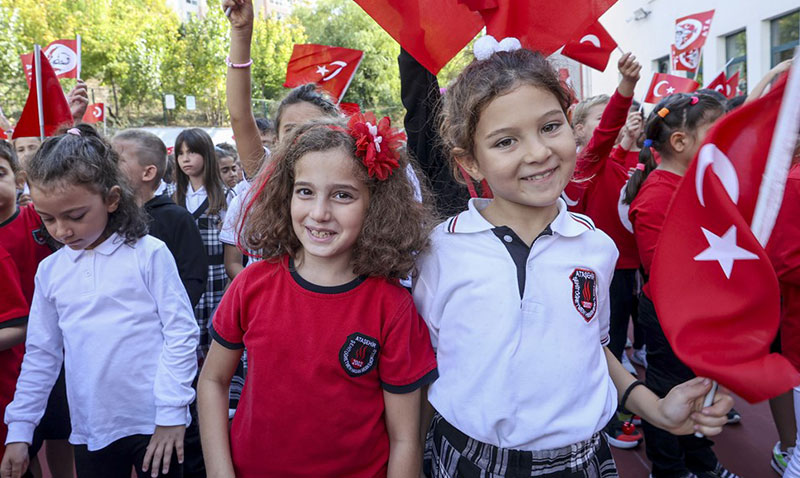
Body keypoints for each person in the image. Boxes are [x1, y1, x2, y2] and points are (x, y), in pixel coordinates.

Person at [415, 40, 733, 478]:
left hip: (580, 461)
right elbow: (422, 368)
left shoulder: (595, 246)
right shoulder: (441, 250)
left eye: (549, 127)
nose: (538, 152)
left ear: (570, 125)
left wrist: (656, 408)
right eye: (506, 141)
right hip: (467, 459)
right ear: (469, 161)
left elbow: (595, 350)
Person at [198, 108, 439, 476]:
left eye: (342, 195)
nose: (320, 212)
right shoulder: (252, 284)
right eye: (305, 192)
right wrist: (219, 470)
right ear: (285, 195)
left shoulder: (392, 308)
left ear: (376, 206)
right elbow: (213, 380)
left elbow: (406, 437)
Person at [0, 125, 199, 478]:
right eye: (48, 219)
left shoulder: (149, 254)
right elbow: (42, 354)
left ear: (111, 199)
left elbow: (180, 333)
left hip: (154, 422)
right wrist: (20, 429)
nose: (61, 231)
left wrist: (171, 413)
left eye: (75, 216)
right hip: (92, 426)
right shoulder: (50, 271)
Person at [625, 93, 740, 478]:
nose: (725, 137)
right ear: (679, 142)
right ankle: (670, 468)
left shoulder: (697, 184)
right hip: (670, 316)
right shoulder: (658, 195)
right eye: (716, 129)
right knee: (668, 391)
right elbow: (665, 270)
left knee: (700, 389)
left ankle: (701, 461)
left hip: (698, 311)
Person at [564, 53, 648, 448]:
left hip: (625, 266)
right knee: (604, 343)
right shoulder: (585, 165)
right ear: (577, 131)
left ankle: (615, 406)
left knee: (614, 340)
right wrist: (625, 88)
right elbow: (605, 140)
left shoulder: (617, 160)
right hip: (590, 273)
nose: (610, 127)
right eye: (600, 122)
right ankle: (609, 416)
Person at [0, 141, 70, 478]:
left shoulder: (40, 220)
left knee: (61, 431)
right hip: (14, 360)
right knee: (23, 443)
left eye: (0, 173)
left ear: (18, 178)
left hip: (56, 346)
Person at [112, 129, 208, 308]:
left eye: (118, 160)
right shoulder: (109, 217)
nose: (109, 166)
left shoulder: (176, 218)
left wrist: (167, 316)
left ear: (148, 173)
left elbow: (193, 278)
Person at [172, 128, 231, 361]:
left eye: (192, 152)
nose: (186, 158)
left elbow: (231, 249)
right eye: (181, 153)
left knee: (213, 338)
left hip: (215, 277)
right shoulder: (171, 195)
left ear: (206, 154)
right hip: (184, 278)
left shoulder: (225, 196)